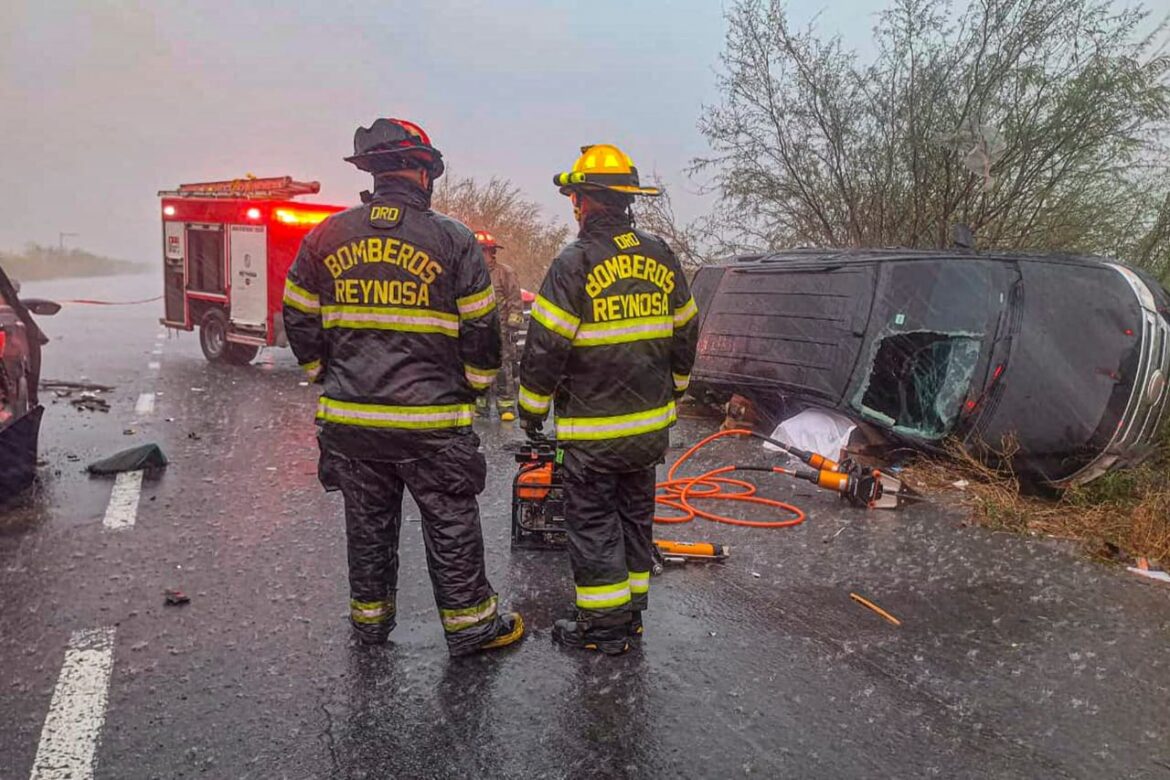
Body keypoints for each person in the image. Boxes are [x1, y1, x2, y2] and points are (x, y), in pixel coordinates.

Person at [282, 117, 523, 655]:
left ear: (373, 172)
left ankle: (370, 625)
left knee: (367, 527)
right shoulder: (452, 239)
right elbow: (482, 329)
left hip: (352, 423)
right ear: (422, 173)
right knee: (451, 523)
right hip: (432, 425)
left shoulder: (325, 237)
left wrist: (323, 373)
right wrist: (474, 385)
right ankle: (471, 629)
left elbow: (297, 315)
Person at [518, 144, 699, 654]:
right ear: (627, 200)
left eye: (575, 198)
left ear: (584, 201)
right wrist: (674, 391)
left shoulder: (574, 262)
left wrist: (531, 409)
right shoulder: (661, 255)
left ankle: (603, 628)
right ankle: (631, 614)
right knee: (634, 518)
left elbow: (546, 347)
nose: (574, 206)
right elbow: (686, 332)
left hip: (594, 435)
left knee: (595, 523)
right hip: (647, 433)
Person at [473, 230, 523, 422]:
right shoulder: (471, 274)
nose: (479, 255)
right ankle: (481, 406)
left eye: (482, 250)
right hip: (478, 330)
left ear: (491, 252)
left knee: (503, 369)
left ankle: (506, 406)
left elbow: (515, 301)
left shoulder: (505, 272)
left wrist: (513, 326)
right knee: (479, 368)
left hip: (501, 330)